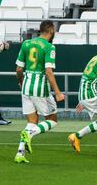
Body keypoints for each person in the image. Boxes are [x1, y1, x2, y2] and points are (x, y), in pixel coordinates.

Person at [14, 20, 65, 163]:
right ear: (51, 30)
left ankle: (20, 153)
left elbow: (18, 69)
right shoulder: (49, 47)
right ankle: (29, 135)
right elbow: (48, 71)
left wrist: (21, 82)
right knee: (52, 120)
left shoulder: (26, 44)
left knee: (32, 121)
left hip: (26, 87)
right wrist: (58, 92)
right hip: (40, 88)